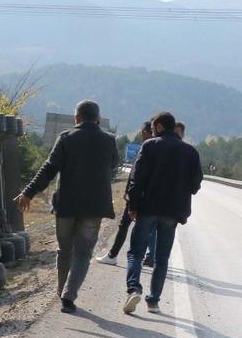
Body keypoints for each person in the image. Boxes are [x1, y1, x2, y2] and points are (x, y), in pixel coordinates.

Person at [15, 100, 118, 313]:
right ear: (97, 119)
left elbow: (49, 168)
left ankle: (62, 290)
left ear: (76, 118)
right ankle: (69, 295)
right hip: (94, 207)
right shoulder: (109, 141)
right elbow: (114, 164)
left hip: (66, 205)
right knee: (83, 252)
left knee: (64, 250)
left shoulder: (66, 138)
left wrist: (28, 193)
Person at [123, 112, 202, 314]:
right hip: (173, 213)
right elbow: (195, 183)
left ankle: (134, 289)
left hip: (148, 208)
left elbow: (136, 178)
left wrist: (133, 205)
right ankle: (154, 301)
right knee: (162, 257)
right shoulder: (190, 152)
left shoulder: (149, 146)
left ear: (158, 126)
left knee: (136, 252)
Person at [96, 122, 157, 266]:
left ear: (150, 132)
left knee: (126, 226)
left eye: (143, 132)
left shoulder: (148, 149)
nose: (141, 134)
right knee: (144, 229)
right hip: (143, 197)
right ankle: (145, 257)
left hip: (138, 197)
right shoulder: (153, 149)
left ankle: (114, 255)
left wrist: (131, 195)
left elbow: (137, 175)